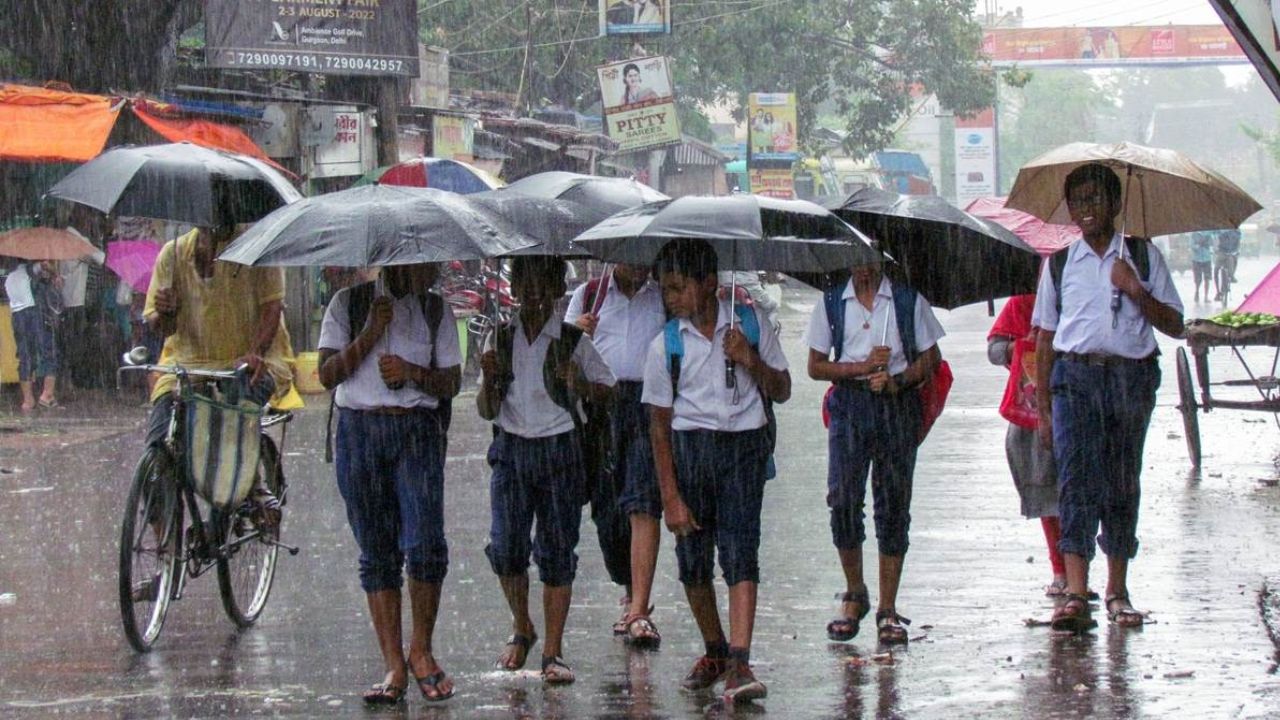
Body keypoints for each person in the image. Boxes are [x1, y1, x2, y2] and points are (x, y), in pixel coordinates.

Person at [1032, 163, 1184, 633]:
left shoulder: (1142, 255)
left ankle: (1117, 590)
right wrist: (1042, 409)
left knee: (1122, 481)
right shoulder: (1059, 264)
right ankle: (1077, 593)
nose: (1087, 210)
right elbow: (1044, 338)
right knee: (1076, 482)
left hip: (1130, 379)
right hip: (1075, 380)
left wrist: (1134, 288)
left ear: (1116, 205)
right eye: (1078, 202)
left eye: (1096, 200)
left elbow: (1175, 324)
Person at [643, 239, 790, 703]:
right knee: (692, 561)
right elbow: (660, 428)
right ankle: (715, 648)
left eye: (679, 288)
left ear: (710, 284)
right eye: (666, 290)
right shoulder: (666, 343)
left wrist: (750, 359)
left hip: (743, 448)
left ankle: (741, 660)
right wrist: (670, 496)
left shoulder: (749, 322)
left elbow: (782, 388)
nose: (672, 300)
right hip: (691, 452)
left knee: (741, 550)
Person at [318, 263, 462, 706]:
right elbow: (326, 375)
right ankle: (393, 664)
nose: (433, 270)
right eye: (425, 262)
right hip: (359, 434)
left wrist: (413, 372)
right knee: (377, 552)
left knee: (424, 546)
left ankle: (421, 649)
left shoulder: (436, 311)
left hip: (416, 432)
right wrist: (369, 333)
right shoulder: (348, 303)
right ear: (400, 260)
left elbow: (451, 381)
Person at [477, 255, 616, 685]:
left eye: (543, 280)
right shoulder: (499, 340)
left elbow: (608, 392)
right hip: (512, 450)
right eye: (525, 279)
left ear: (557, 288)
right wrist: (490, 380)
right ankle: (523, 626)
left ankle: (553, 651)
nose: (533, 289)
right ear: (514, 286)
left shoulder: (573, 341)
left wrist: (578, 383)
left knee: (557, 553)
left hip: (560, 452)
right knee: (505, 549)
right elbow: (486, 410)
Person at [805, 256, 943, 646]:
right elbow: (815, 367)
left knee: (893, 501)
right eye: (854, 257)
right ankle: (855, 592)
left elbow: (931, 358)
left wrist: (897, 381)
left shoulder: (905, 301)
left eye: (869, 257)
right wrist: (860, 369)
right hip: (850, 407)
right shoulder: (832, 302)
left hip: (896, 409)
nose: (862, 267)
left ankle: (888, 606)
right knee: (843, 498)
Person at [143, 222, 294, 520]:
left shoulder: (258, 247)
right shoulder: (172, 255)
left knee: (233, 417)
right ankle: (165, 552)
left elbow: (272, 308)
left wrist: (255, 352)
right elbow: (161, 327)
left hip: (250, 362)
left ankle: (251, 482)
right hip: (184, 366)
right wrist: (166, 312)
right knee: (155, 459)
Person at [565, 263, 666, 647]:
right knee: (608, 511)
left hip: (649, 405)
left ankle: (638, 608)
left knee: (643, 501)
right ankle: (628, 583)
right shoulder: (589, 295)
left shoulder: (661, 298)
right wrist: (578, 336)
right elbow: (564, 362)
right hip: (601, 407)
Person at [988, 295, 1067, 596]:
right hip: (1032, 409)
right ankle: (1060, 569)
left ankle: (1076, 569)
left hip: (1075, 398)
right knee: (1046, 491)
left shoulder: (1078, 297)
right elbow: (994, 350)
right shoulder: (1021, 305)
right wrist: (1017, 346)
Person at [5, 261, 60, 411]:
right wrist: (54, 273)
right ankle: (47, 394)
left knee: (25, 357)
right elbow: (44, 265)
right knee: (49, 352)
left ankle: (28, 400)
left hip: (17, 316)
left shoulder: (9, 276)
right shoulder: (31, 269)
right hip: (36, 313)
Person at [1213, 227, 1241, 301]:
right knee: (1216, 270)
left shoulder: (1236, 231)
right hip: (1221, 252)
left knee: (1234, 262)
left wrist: (1237, 251)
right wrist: (1216, 249)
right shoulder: (1219, 229)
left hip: (1231, 253)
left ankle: (1231, 277)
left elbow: (1238, 242)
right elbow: (1216, 239)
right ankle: (1218, 292)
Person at [1190, 231, 1214, 303]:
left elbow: (1212, 244)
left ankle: (1206, 297)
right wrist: (1198, 245)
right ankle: (1197, 291)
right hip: (1197, 259)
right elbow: (1192, 246)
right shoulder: (1194, 234)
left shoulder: (1209, 234)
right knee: (1198, 279)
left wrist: (1208, 243)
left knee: (1207, 278)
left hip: (1207, 259)